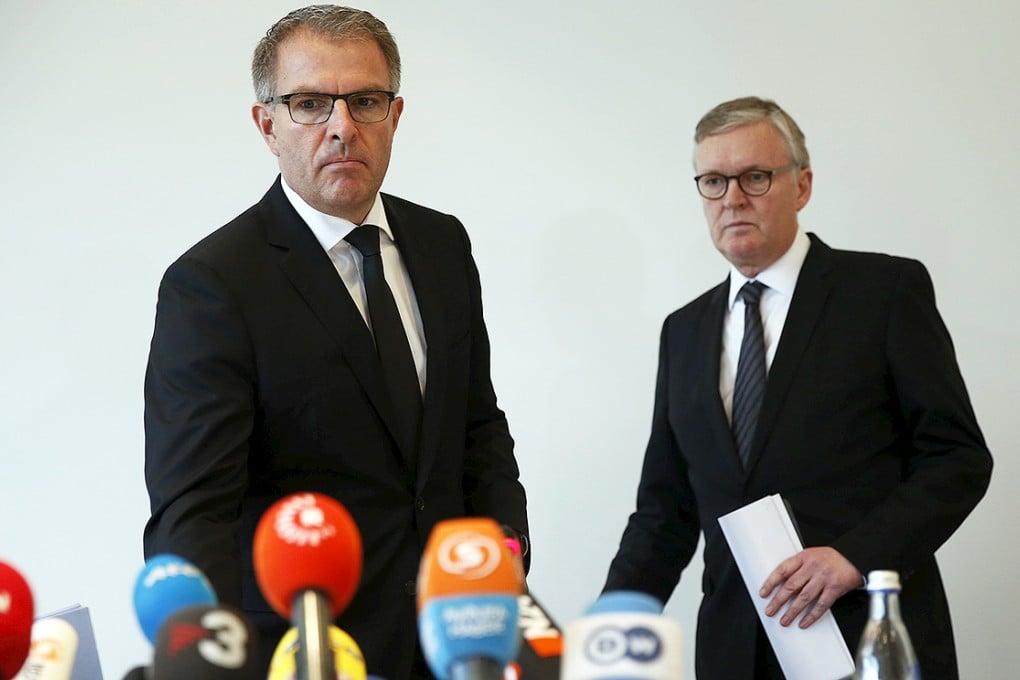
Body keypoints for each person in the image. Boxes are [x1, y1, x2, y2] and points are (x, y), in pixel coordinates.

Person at [142, 6, 529, 678]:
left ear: (395, 116)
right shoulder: (213, 284)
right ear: (267, 124)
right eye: (310, 104)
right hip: (308, 655)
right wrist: (213, 663)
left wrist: (505, 562)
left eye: (365, 101)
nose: (342, 127)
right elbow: (195, 513)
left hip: (460, 642)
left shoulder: (442, 245)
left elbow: (477, 428)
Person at [602, 96, 992, 679]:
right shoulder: (683, 331)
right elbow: (665, 509)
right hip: (734, 651)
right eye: (713, 180)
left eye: (754, 177)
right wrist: (610, 625)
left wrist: (855, 558)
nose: (732, 197)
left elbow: (957, 459)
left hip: (869, 638)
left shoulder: (884, 292)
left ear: (802, 185)